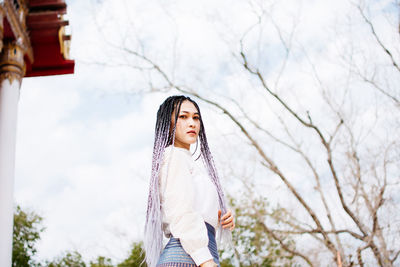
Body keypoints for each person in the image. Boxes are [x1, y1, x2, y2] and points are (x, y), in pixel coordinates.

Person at [144, 95, 235, 267]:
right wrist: (206, 262)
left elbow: (194, 209)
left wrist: (220, 216)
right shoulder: (174, 157)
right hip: (188, 257)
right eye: (183, 117)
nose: (192, 123)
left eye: (196, 117)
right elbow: (182, 215)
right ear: (168, 122)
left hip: (198, 255)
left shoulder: (190, 163)